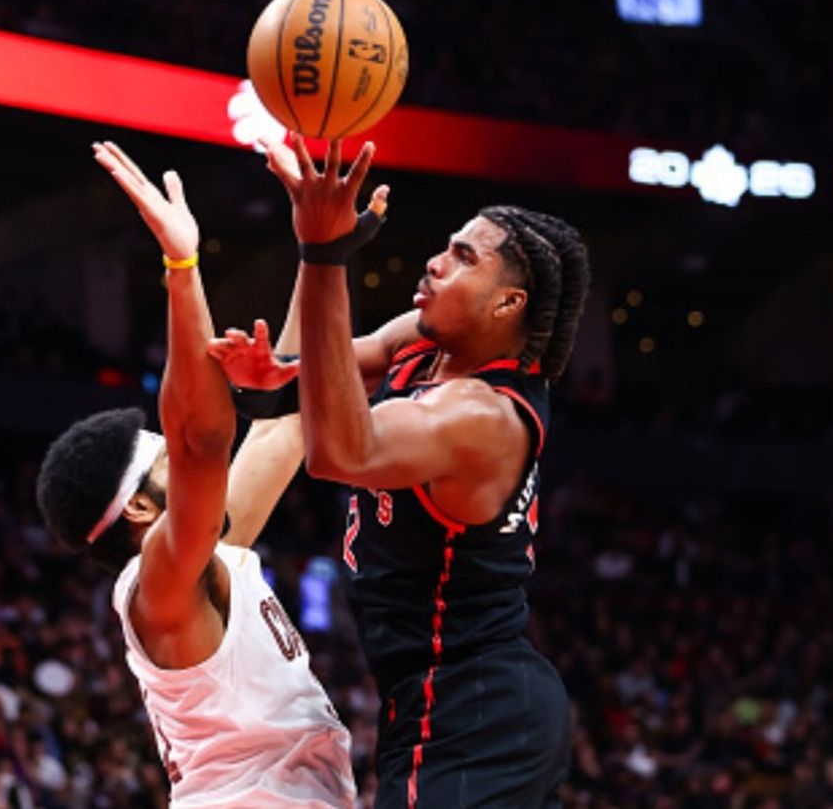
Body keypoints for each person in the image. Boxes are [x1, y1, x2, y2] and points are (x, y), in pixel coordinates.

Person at [230, 134, 588, 808]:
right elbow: (313, 376)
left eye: (462, 257)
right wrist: (269, 377)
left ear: (508, 303)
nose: (433, 262)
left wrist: (325, 251)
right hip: (435, 699)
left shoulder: (484, 416)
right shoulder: (425, 342)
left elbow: (343, 450)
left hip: (477, 706)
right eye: (447, 245)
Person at [34, 142, 356, 807]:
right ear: (141, 511)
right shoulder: (159, 583)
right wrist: (182, 266)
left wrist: (321, 250)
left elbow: (285, 420)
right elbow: (202, 440)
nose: (181, 468)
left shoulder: (208, 555)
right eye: (163, 464)